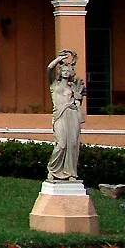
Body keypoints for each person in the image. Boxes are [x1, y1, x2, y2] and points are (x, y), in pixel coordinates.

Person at [45, 49, 85, 181]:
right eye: (64, 70)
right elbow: (49, 68)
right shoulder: (54, 85)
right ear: (60, 73)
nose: (66, 72)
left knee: (72, 144)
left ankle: (70, 172)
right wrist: (59, 59)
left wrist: (78, 98)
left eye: (68, 70)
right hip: (60, 115)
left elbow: (78, 102)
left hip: (72, 114)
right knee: (61, 143)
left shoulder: (73, 87)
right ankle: (53, 170)